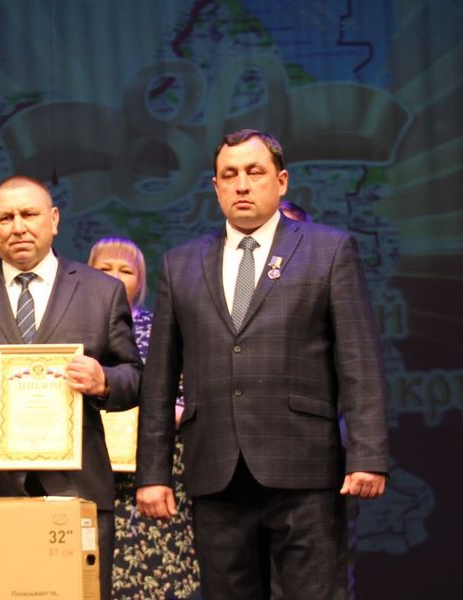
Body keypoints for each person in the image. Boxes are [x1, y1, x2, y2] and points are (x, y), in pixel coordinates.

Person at [136, 129, 389, 600]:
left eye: (254, 172)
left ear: (281, 181)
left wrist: (368, 455)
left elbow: (359, 360)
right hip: (216, 470)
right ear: (215, 187)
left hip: (306, 467)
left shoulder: (329, 250)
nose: (242, 184)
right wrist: (153, 473)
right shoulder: (180, 263)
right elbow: (159, 382)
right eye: (229, 175)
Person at [0, 175, 143, 600]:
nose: (18, 226)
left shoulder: (102, 292)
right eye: (6, 218)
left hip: (77, 486)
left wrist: (104, 381)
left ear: (53, 220)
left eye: (29, 214)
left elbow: (135, 377)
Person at [88, 237, 201, 599]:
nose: (115, 277)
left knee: (161, 567)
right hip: (93, 465)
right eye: (105, 268)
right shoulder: (73, 329)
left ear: (141, 280)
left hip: (157, 466)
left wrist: (169, 413)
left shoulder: (163, 327)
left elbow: (188, 391)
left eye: (126, 270)